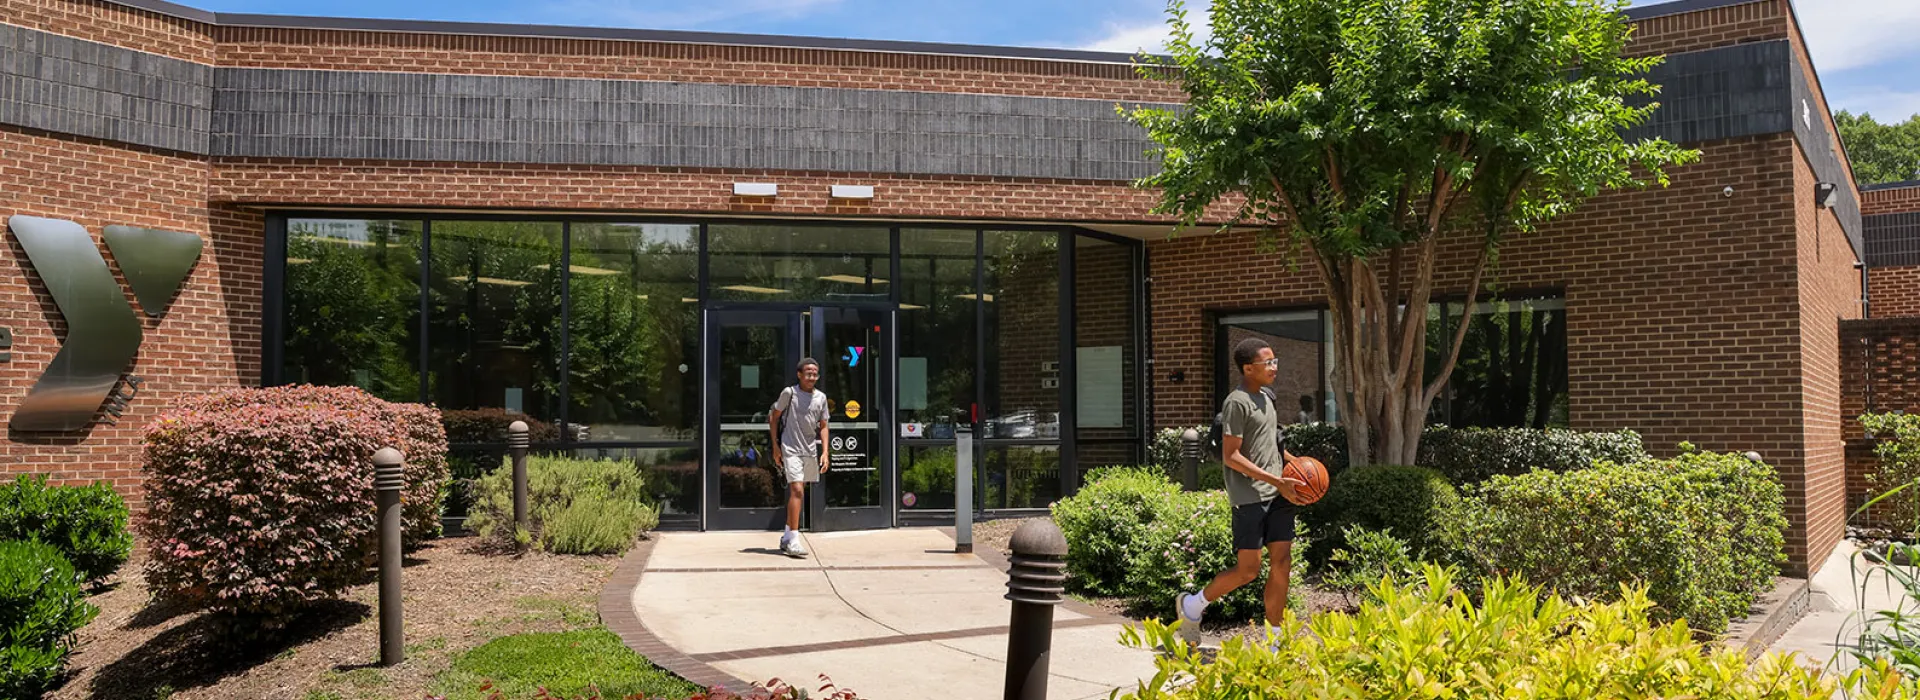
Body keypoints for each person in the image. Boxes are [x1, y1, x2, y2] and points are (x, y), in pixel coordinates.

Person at [1176, 338, 1304, 647]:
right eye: (1267, 363)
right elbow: (1231, 455)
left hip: (1278, 493)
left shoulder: (1268, 397)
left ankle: (1275, 643)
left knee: (1282, 562)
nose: (1274, 368)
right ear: (1248, 368)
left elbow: (1269, 443)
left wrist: (1293, 463)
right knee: (1248, 570)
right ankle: (1192, 605)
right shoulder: (1236, 402)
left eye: (1275, 361)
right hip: (1250, 496)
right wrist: (1276, 481)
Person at [768, 358, 830, 558]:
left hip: (810, 450)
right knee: (797, 491)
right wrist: (776, 446)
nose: (812, 376)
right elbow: (774, 417)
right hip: (790, 448)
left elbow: (824, 426)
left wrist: (826, 452)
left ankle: (786, 536)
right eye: (808, 372)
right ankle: (794, 539)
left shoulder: (821, 398)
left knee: (801, 491)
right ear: (799, 374)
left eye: (815, 373)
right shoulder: (790, 393)